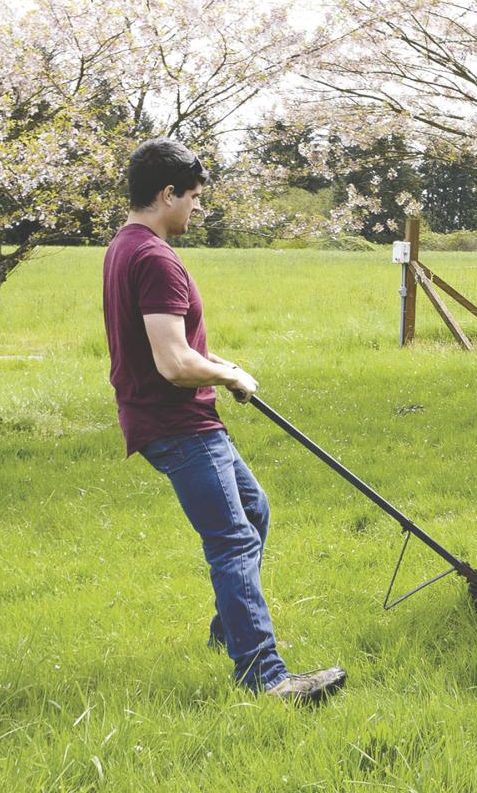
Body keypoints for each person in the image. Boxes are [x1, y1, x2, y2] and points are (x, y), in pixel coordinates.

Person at [102, 138, 345, 704]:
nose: (195, 209)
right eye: (192, 198)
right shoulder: (157, 259)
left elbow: (172, 349)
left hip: (171, 417)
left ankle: (229, 628)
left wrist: (222, 365)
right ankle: (266, 678)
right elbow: (173, 361)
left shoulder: (124, 244)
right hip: (177, 423)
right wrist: (230, 377)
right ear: (167, 194)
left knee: (253, 510)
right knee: (233, 541)